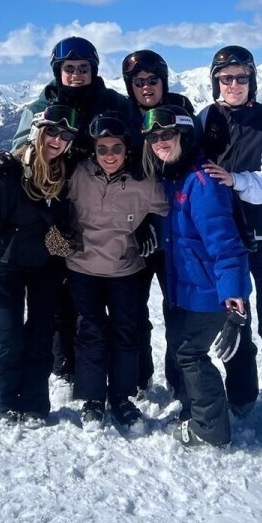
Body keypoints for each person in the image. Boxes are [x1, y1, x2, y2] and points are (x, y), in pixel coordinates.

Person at [12, 36, 131, 385]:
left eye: (83, 68)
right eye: (69, 68)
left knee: (111, 294)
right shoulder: (40, 107)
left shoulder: (114, 103)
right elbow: (22, 148)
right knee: (62, 289)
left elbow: (137, 146)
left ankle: (126, 369)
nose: (76, 74)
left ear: (93, 70)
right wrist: (7, 162)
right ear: (58, 71)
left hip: (106, 210)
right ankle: (65, 363)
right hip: (55, 208)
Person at [199, 46, 262, 441]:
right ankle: (241, 395)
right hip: (228, 242)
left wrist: (235, 180)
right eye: (226, 78)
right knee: (235, 322)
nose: (234, 84)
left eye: (241, 77)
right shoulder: (206, 118)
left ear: (252, 80)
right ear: (216, 82)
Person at [142, 105, 252, 448]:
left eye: (167, 135)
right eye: (153, 138)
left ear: (184, 136)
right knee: (182, 351)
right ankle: (194, 408)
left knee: (191, 355)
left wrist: (233, 296)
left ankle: (210, 429)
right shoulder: (173, 176)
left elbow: (226, 243)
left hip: (208, 291)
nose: (160, 142)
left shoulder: (202, 182)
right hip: (185, 289)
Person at [0, 103, 77, 426]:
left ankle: (35, 402)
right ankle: (2, 400)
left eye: (64, 136)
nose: (57, 140)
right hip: (9, 267)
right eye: (52, 132)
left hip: (47, 268)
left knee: (41, 335)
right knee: (8, 336)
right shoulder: (7, 175)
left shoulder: (66, 174)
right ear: (36, 132)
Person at [65, 111, 168, 429]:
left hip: (124, 269)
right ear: (93, 151)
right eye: (102, 149)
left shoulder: (143, 182)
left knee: (125, 332)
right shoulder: (78, 174)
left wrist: (151, 223)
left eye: (116, 148)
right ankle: (93, 398)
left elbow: (170, 210)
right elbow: (46, 185)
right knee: (91, 331)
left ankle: (122, 397)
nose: (110, 155)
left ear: (127, 149)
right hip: (82, 267)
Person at [121, 50, 195, 394]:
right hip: (135, 230)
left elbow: (192, 162)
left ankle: (180, 381)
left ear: (163, 81)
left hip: (173, 230)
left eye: (153, 80)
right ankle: (139, 378)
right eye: (139, 82)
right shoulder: (123, 116)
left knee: (177, 309)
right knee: (133, 311)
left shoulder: (181, 110)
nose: (146, 87)